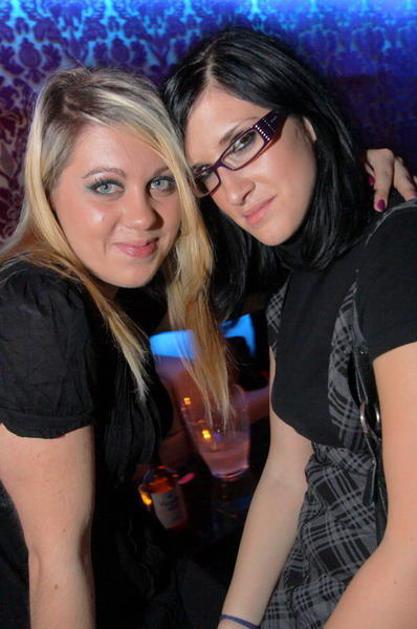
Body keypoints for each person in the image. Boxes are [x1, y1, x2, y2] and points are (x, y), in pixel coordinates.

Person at [163, 27, 417, 628]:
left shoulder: (398, 252)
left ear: (307, 118)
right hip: (301, 591)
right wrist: (236, 623)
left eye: (243, 142)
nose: (233, 189)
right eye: (207, 173)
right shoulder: (287, 290)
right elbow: (285, 474)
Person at [0, 66, 230, 629]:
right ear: (48, 189)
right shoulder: (39, 306)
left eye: (163, 182)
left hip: (141, 574)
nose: (144, 215)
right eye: (105, 185)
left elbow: (273, 248)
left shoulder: (118, 287)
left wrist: (349, 171)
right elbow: (57, 562)